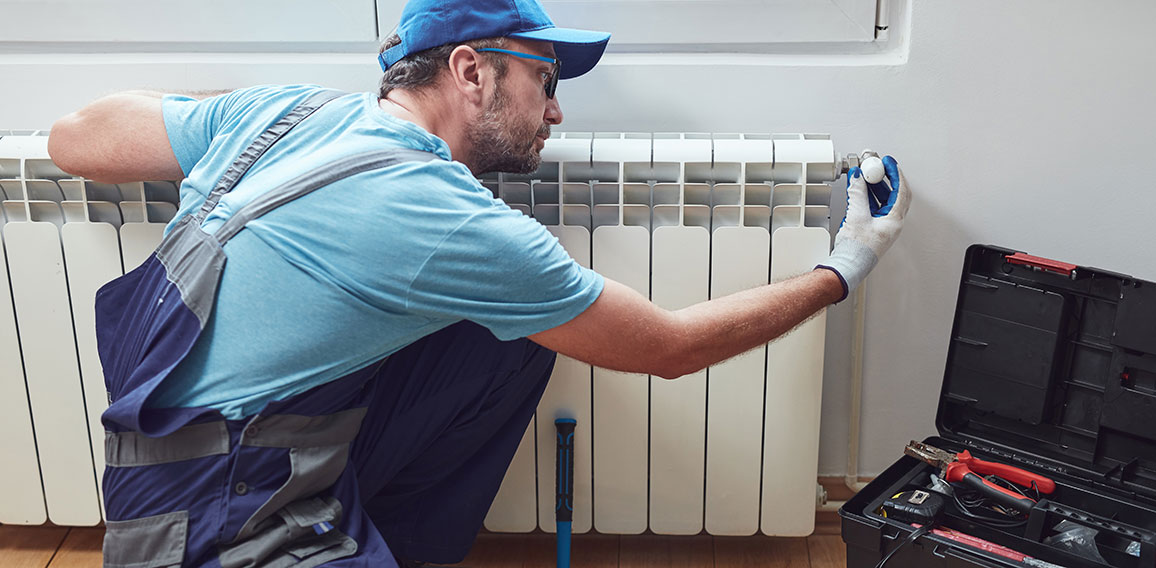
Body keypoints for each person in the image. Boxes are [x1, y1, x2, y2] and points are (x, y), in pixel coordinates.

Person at [46, 0, 910, 565]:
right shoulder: (441, 215)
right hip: (205, 527)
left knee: (503, 346)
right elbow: (670, 347)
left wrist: (244, 117)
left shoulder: (285, 111)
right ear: (468, 71)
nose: (558, 110)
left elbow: (74, 137)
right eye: (545, 79)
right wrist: (844, 268)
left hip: (185, 458)